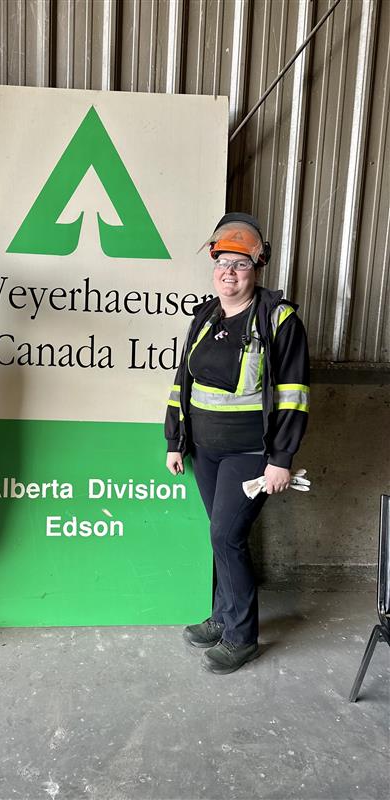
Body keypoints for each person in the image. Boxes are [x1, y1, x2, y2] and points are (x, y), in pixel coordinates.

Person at [165, 212, 309, 674]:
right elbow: (182, 382)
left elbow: (293, 394)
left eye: (240, 264)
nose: (229, 272)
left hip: (251, 453)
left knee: (227, 537)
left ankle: (242, 636)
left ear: (258, 267)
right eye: (222, 263)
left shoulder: (279, 320)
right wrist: (175, 440)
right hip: (206, 450)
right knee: (220, 536)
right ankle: (224, 617)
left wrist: (281, 458)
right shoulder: (205, 317)